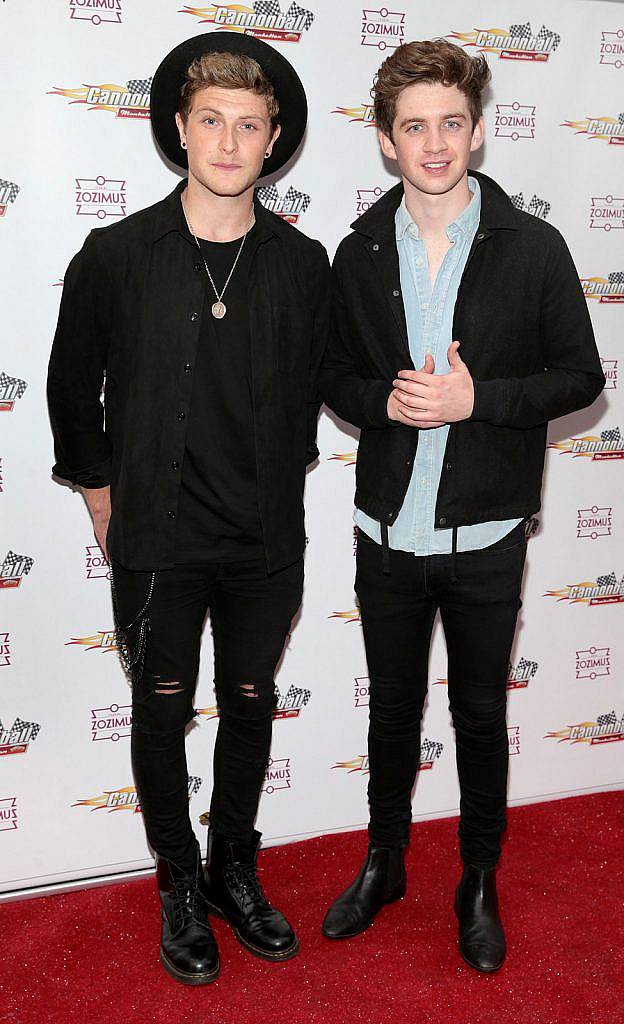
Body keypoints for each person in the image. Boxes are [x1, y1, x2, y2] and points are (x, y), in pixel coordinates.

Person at [48, 32, 329, 985]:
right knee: (161, 713)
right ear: (180, 127)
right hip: (158, 541)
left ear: (273, 138)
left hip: (263, 541)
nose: (228, 140)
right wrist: (100, 499)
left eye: (249, 125)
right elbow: (67, 387)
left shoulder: (303, 264)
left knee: (250, 705)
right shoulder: (117, 254)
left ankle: (230, 869)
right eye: (211, 120)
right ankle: (176, 879)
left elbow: (336, 385)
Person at [319, 39, 604, 973]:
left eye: (450, 122)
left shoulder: (535, 246)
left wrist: (480, 400)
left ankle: (477, 879)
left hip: (484, 534)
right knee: (391, 711)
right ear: (386, 140)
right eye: (414, 126)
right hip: (386, 531)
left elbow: (580, 377)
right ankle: (386, 861)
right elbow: (332, 374)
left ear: (477, 131)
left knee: (480, 715)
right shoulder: (357, 250)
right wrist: (380, 401)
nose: (434, 142)